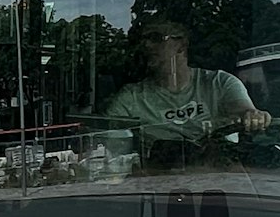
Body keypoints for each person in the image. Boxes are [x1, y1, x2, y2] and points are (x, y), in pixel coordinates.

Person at [104, 19, 271, 144]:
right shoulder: (132, 98)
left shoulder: (219, 83)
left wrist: (253, 116)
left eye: (156, 38)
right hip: (157, 179)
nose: (146, 45)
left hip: (221, 176)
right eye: (143, 40)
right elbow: (104, 137)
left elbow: (244, 112)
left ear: (181, 46)